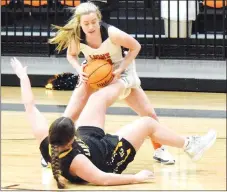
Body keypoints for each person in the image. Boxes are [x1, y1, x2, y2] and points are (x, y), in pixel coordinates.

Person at [11, 57, 217, 189]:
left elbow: (30, 106)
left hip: (89, 141)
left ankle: (124, 78)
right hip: (108, 154)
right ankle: (191, 145)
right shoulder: (78, 163)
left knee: (97, 98)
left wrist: (22, 76)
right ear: (71, 139)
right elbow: (103, 179)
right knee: (147, 123)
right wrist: (137, 178)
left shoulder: (47, 140)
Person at [49, 2, 175, 164]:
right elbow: (71, 56)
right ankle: (52, 151)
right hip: (93, 75)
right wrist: (79, 70)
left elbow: (135, 47)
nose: (90, 26)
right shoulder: (77, 36)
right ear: (80, 23)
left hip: (119, 74)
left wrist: (121, 68)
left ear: (99, 19)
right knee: (69, 115)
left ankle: (160, 150)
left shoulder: (112, 33)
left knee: (149, 114)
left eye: (94, 22)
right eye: (86, 23)